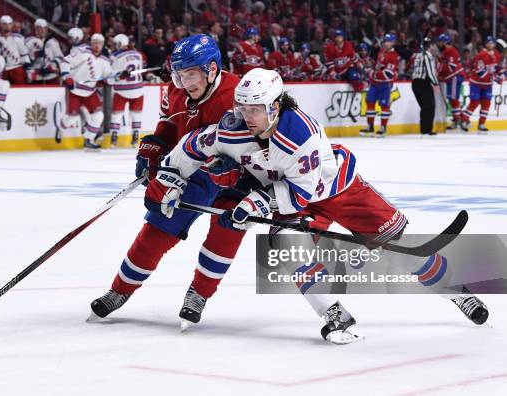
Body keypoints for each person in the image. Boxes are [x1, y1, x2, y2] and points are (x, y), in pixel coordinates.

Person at [147, 68, 489, 343]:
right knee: (287, 249)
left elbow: (299, 193)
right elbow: (191, 147)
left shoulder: (301, 135)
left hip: (336, 189)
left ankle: (455, 290)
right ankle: (335, 315)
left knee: (397, 249)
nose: (247, 116)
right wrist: (168, 179)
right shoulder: (233, 129)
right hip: (287, 192)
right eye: (243, 108)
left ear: (275, 106)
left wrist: (255, 201)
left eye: (255, 109)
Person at [88, 34, 242, 329]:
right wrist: (157, 143)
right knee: (158, 227)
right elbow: (171, 121)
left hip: (234, 176)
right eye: (179, 74)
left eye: (191, 74)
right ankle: (119, 290)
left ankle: (200, 293)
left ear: (212, 69)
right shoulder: (175, 89)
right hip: (192, 170)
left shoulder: (236, 94)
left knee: (226, 233)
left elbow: (258, 139)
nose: (184, 82)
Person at [58, 28, 105, 151]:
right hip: (76, 89)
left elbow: (111, 75)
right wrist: (66, 76)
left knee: (99, 115)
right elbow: (65, 61)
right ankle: (61, 127)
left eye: (99, 43)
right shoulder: (82, 52)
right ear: (91, 43)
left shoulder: (104, 59)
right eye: (94, 42)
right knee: (72, 117)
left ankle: (88, 140)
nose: (97, 45)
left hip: (90, 91)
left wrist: (122, 74)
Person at [107, 34, 145, 147]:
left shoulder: (115, 57)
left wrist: (116, 78)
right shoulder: (138, 54)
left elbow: (111, 79)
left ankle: (113, 140)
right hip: (138, 89)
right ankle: (135, 139)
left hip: (121, 90)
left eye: (115, 44)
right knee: (136, 115)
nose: (114, 46)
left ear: (119, 44)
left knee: (116, 115)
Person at [460, 36, 504, 134]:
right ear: (485, 44)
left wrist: (501, 74)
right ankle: (463, 120)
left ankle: (481, 124)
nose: (490, 44)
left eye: (492, 43)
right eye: (488, 43)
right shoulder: (481, 55)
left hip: (488, 85)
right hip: (476, 83)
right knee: (474, 102)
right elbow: (479, 71)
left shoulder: (496, 54)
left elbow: (497, 68)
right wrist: (494, 78)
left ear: (494, 44)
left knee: (486, 104)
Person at [360, 33, 399, 137]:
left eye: (389, 41)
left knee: (384, 105)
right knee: (370, 102)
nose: (386, 43)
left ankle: (383, 127)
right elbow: (378, 66)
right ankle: (370, 126)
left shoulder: (394, 56)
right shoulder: (381, 52)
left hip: (385, 85)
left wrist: (372, 73)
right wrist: (370, 66)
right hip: (374, 84)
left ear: (393, 43)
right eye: (385, 41)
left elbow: (388, 74)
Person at [411, 37, 439, 136]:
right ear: (430, 46)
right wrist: (435, 83)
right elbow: (430, 71)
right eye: (433, 45)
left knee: (425, 107)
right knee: (430, 106)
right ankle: (427, 130)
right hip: (423, 82)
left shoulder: (418, 55)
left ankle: (424, 129)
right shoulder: (427, 55)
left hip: (415, 83)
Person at [436, 34, 465, 131]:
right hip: (452, 78)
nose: (439, 44)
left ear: (444, 42)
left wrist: (439, 68)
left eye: (440, 42)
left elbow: (451, 67)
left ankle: (460, 120)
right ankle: (459, 119)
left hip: (454, 77)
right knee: (452, 99)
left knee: (453, 99)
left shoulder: (450, 50)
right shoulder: (446, 51)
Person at [25, 18, 64, 84]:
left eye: (45, 28)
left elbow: (60, 57)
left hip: (51, 76)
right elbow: (25, 59)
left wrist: (52, 65)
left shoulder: (53, 41)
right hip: (36, 77)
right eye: (40, 28)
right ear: (35, 29)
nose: (43, 30)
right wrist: (34, 55)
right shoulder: (29, 41)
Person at [0, 15, 31, 85]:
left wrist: (28, 71)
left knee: (21, 90)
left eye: (9, 24)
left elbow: (24, 55)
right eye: (4, 24)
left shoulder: (18, 38)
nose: (7, 26)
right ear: (0, 25)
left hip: (17, 69)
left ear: (12, 25)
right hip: (2, 70)